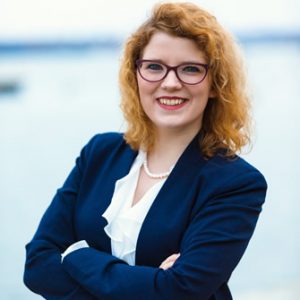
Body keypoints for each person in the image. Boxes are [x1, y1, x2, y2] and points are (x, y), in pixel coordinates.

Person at [23, 2, 267, 299]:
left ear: (215, 83)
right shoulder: (99, 153)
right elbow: (37, 264)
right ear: (135, 74)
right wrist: (150, 281)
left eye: (190, 69)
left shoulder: (235, 183)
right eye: (154, 67)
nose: (171, 83)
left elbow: (178, 291)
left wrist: (75, 255)